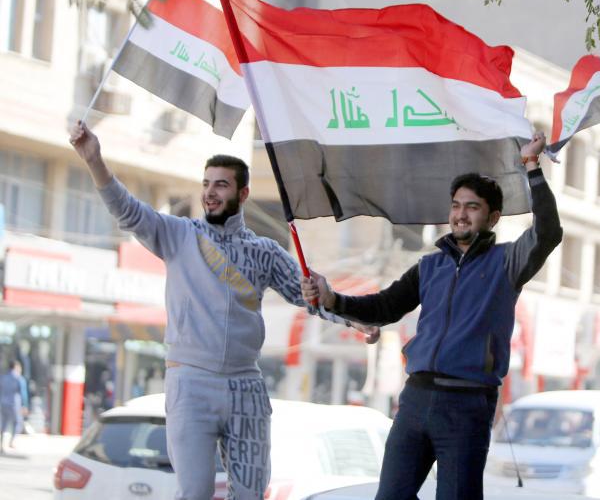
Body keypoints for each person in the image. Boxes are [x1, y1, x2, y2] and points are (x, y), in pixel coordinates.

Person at [69, 121, 374, 500]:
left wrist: (356, 317)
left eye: (221, 185)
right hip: (191, 384)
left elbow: (309, 296)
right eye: (207, 184)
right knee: (194, 492)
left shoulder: (264, 251)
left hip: (246, 386)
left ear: (243, 193)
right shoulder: (178, 235)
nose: (210, 194)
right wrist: (94, 160)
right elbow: (128, 211)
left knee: (249, 494)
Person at [301, 131, 562, 500]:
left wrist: (532, 166)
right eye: (456, 205)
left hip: (467, 405)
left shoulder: (507, 263)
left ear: (493, 217)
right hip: (415, 401)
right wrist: (332, 298)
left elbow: (548, 232)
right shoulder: (430, 266)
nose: (460, 214)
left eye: (472, 207)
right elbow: (384, 307)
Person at [0, 360, 28, 453]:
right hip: (14, 404)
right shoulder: (19, 378)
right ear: (16, 367)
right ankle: (11, 442)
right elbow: (23, 393)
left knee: (3, 424)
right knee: (18, 423)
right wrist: (24, 405)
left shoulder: (3, 378)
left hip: (3, 403)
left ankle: (1, 443)